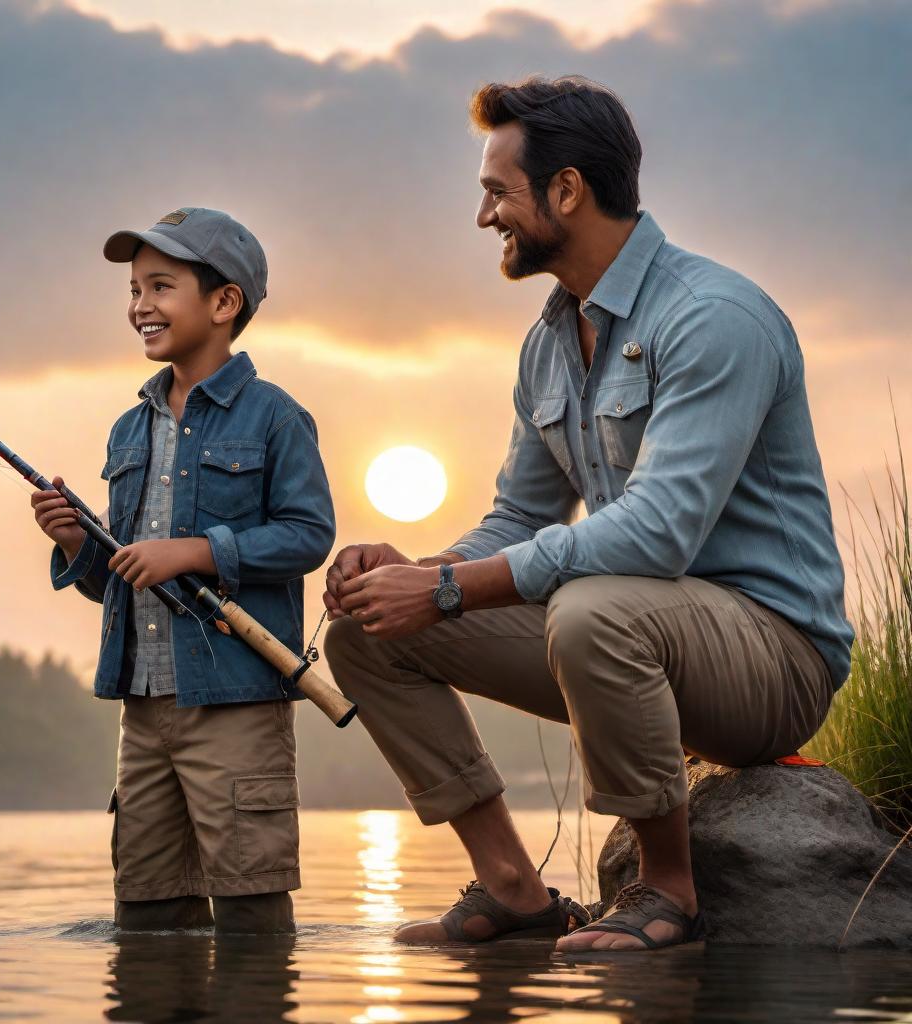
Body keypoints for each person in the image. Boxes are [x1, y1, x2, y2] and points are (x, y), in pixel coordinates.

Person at [322, 77, 853, 952]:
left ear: (567, 190)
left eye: (498, 193)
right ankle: (513, 890)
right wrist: (416, 575)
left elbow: (656, 533)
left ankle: (667, 893)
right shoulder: (548, 342)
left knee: (593, 606)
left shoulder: (714, 317)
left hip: (774, 661)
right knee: (366, 633)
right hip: (633, 635)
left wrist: (450, 588)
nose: (483, 217)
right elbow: (517, 517)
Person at [31, 207, 335, 934]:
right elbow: (126, 579)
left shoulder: (274, 417)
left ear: (224, 303)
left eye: (161, 287)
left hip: (236, 704)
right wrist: (77, 545)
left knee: (252, 914)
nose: (140, 305)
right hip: (142, 710)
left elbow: (308, 534)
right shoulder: (126, 429)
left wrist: (198, 550)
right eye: (134, 290)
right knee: (145, 914)